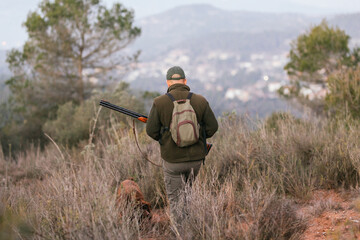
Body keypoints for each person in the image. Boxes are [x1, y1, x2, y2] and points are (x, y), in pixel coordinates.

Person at [146, 66, 218, 227]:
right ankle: (190, 227)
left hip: (172, 161)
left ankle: (182, 233)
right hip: (196, 161)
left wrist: (166, 140)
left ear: (168, 82)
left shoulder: (159, 102)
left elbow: (151, 131)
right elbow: (213, 127)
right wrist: (197, 137)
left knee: (176, 200)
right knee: (186, 195)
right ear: (185, 81)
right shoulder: (200, 101)